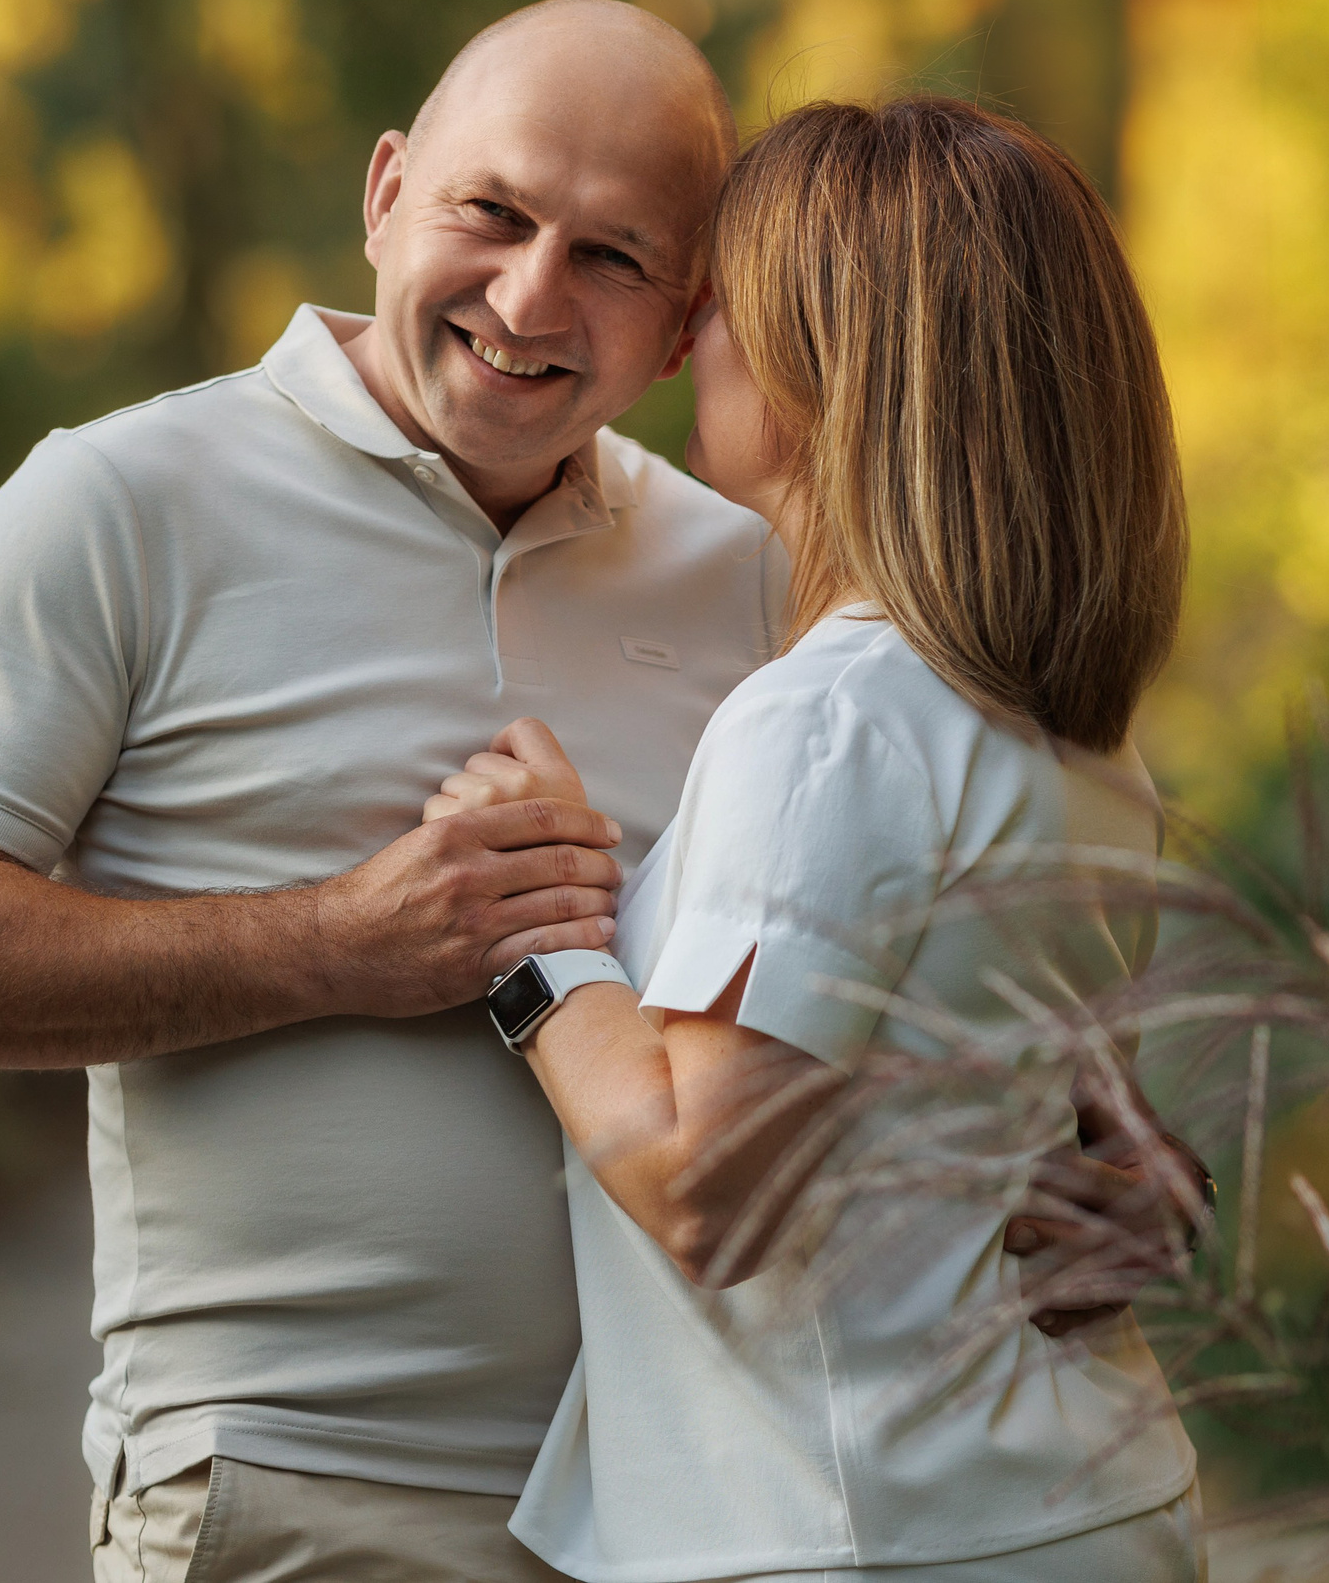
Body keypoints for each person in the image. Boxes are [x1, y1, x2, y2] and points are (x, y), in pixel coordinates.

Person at [0, 0, 1190, 1583]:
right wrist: (336, 941)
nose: (530, 296)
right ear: (388, 191)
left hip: (684, 1515)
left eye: (613, 256)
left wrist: (1109, 1145)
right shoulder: (118, 504)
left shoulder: (759, 577)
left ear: (688, 320)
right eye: (494, 211)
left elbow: (920, 907)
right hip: (302, 1494)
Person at [424, 98, 1208, 1580]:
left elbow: (707, 1190)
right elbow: (1069, 1136)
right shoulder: (1078, 738)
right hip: (1064, 1497)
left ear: (837, 365)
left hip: (880, 1533)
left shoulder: (832, 719)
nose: (690, 342)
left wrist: (537, 937)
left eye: (725, 305)